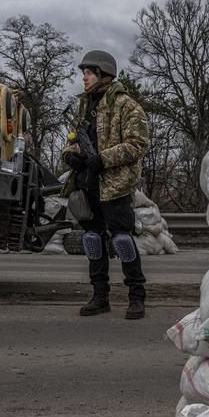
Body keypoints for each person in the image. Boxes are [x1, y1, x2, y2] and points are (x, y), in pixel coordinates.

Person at [61, 50, 150, 319]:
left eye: (88, 73)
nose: (84, 78)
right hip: (87, 184)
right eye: (84, 74)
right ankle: (100, 297)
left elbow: (138, 144)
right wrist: (71, 156)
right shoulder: (83, 106)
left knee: (122, 240)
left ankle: (137, 297)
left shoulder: (126, 105)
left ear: (102, 74)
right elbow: (72, 139)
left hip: (115, 185)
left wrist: (103, 159)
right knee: (92, 240)